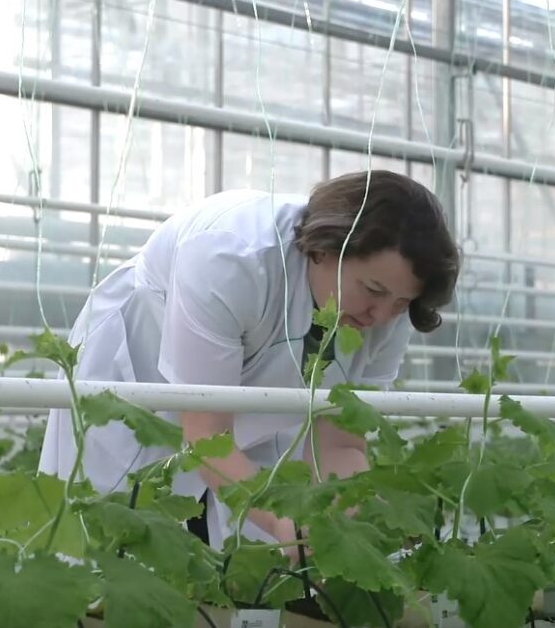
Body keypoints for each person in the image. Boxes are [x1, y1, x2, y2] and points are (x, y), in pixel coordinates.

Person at [38, 169, 460, 550]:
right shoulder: (232, 258)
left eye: (402, 302)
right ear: (324, 249)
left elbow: (339, 442)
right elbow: (208, 436)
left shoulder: (389, 311)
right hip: (138, 365)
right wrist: (280, 521)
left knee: (256, 556)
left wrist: (343, 516)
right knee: (108, 527)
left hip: (254, 391)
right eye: (372, 290)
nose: (381, 315)